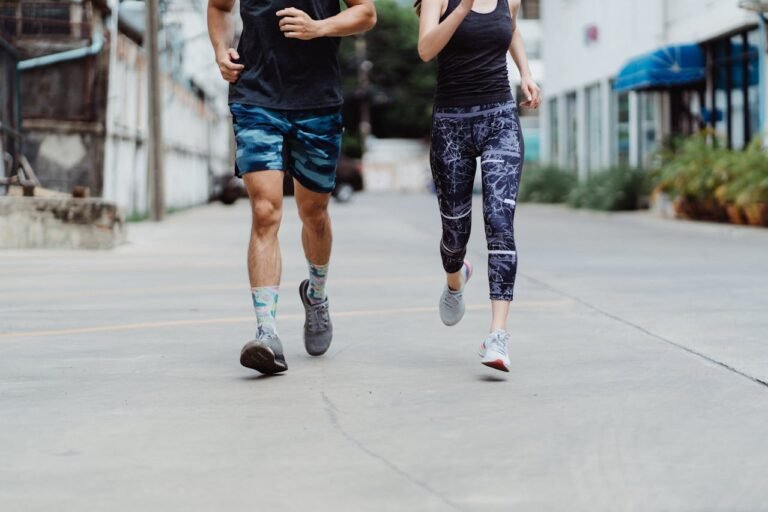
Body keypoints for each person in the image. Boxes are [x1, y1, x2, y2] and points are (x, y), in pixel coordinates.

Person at [207, 0, 377, 374]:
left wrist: (319, 27)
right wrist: (220, 52)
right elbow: (219, 7)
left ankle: (316, 294)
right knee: (265, 211)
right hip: (256, 98)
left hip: (317, 103)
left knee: (313, 213)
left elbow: (366, 13)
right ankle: (266, 333)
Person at [416, 0, 541, 371]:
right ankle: (456, 278)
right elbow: (425, 49)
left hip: (499, 118)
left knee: (500, 222)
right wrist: (462, 8)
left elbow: (511, 28)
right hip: (451, 123)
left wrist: (526, 73)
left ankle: (497, 335)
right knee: (455, 232)